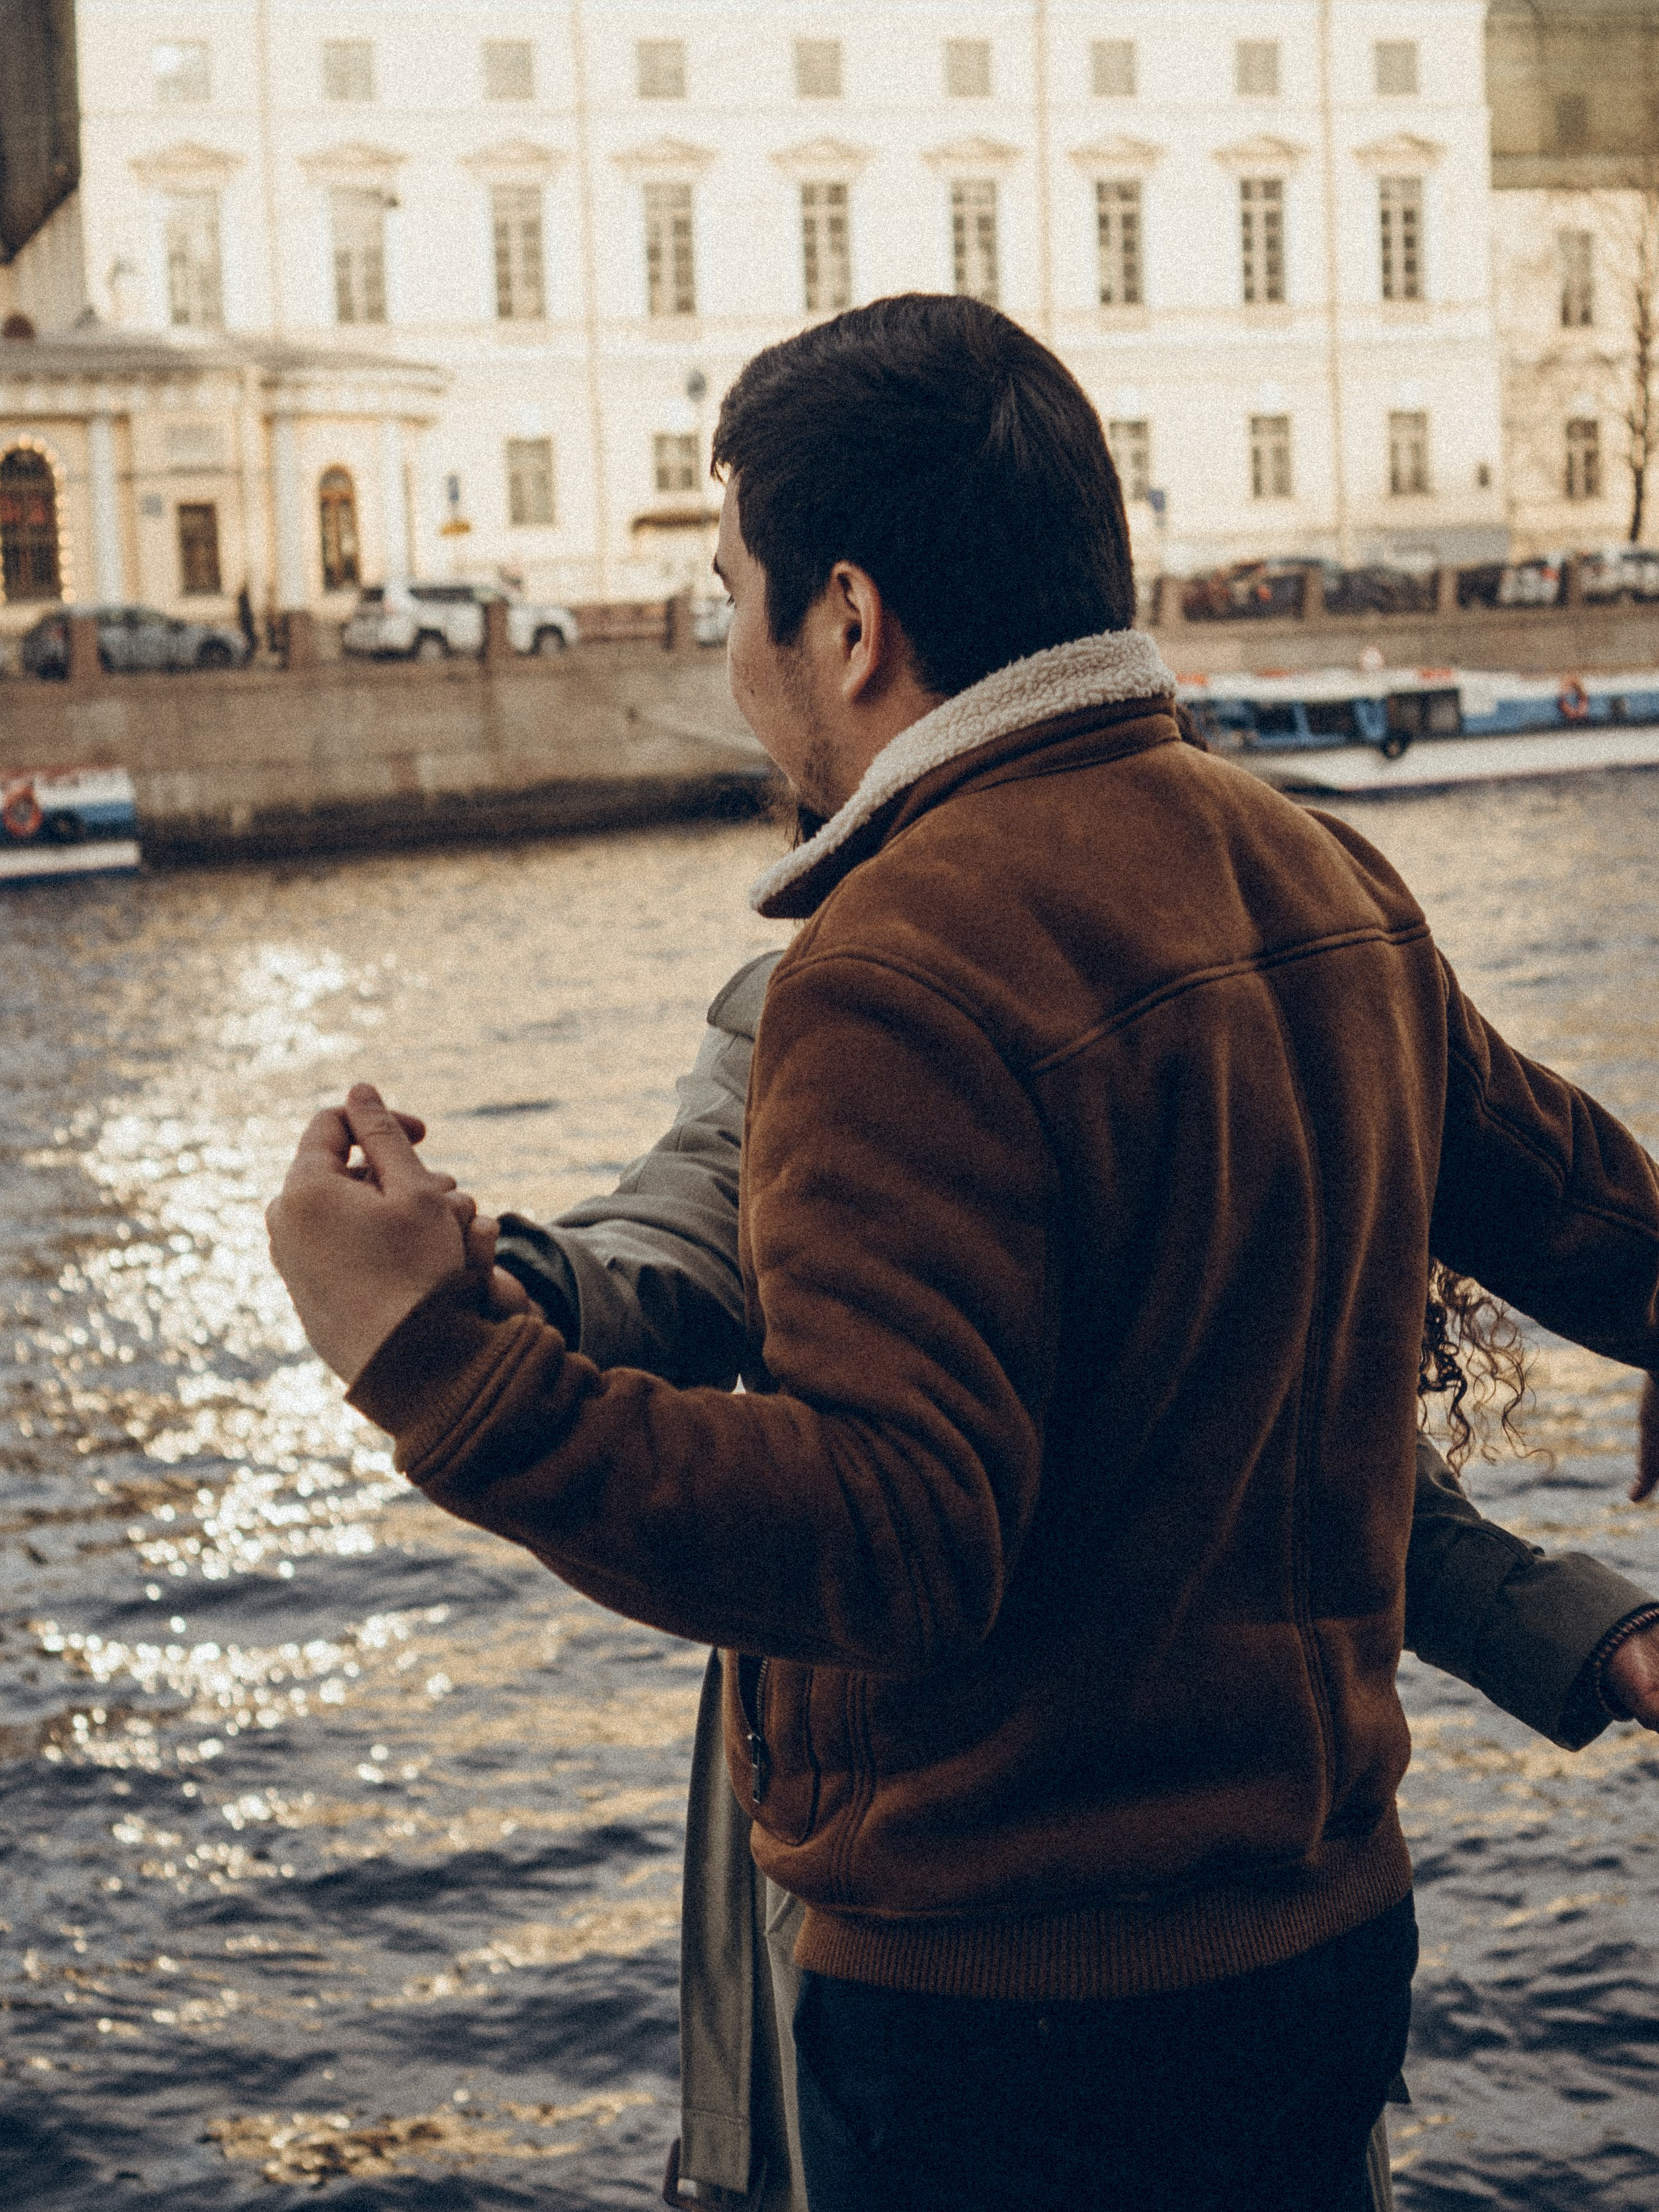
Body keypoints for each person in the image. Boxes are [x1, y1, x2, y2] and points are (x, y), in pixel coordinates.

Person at [268, 295, 1659, 2212]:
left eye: (728, 592)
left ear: (847, 618)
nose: (726, 654)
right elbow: (1607, 1228)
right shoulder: (1319, 873)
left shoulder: (898, 964)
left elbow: (900, 1539)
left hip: (1016, 2025)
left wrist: (433, 1364)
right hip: (1328, 1937)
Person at [479, 948, 1659, 2212]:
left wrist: (1602, 1633)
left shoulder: (1255, 960)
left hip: (1217, 1917)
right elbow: (683, 1235)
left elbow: (1328, 1460)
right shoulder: (833, 992)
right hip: (928, 1918)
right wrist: (513, 1288)